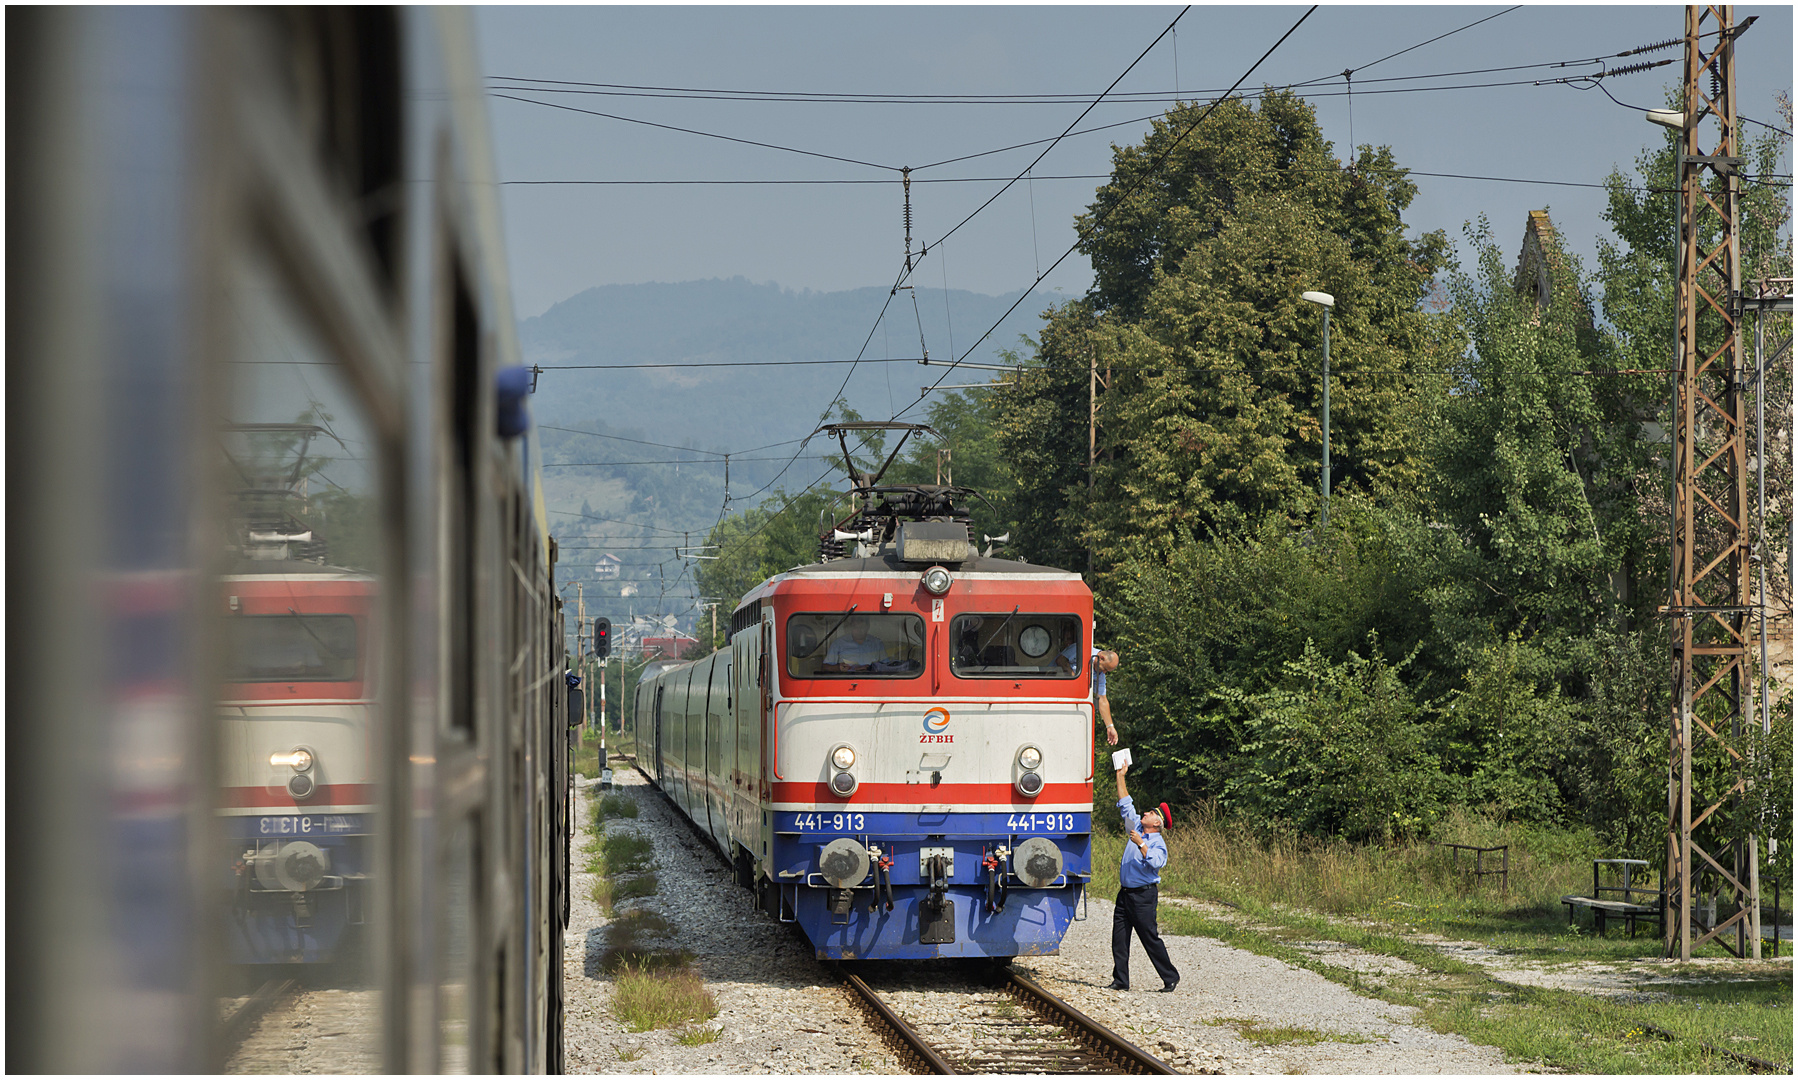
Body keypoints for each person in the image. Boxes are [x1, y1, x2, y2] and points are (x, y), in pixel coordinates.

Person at [1108, 760, 1178, 993]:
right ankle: (1120, 980)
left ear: (1157, 822)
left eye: (1150, 813)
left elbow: (1157, 863)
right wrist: (1121, 775)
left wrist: (1141, 845)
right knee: (1119, 938)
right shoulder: (1135, 825)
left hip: (1143, 897)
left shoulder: (1156, 842)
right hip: (1125, 894)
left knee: (1149, 938)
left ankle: (1170, 977)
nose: (1145, 812)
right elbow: (1125, 803)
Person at [1060, 632, 1121, 745]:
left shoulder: (1100, 674)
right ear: (1101, 658)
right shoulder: (1080, 649)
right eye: (1105, 669)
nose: (1104, 672)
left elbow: (1102, 699)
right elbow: (1061, 660)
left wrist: (1110, 726)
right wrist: (1074, 676)